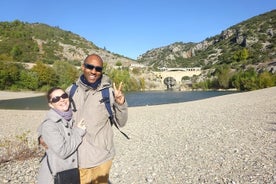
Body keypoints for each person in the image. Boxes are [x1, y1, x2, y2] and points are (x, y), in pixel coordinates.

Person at [66, 54, 128, 184]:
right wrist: (44, 134)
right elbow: (59, 118)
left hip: (102, 158)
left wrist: (120, 104)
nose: (94, 71)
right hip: (77, 158)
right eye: (90, 67)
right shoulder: (70, 91)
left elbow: (121, 123)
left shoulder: (109, 93)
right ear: (83, 67)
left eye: (98, 69)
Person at [37, 87, 86, 184]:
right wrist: (79, 131)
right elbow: (63, 151)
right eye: (56, 99)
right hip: (55, 177)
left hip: (72, 173)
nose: (62, 99)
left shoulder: (73, 117)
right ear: (51, 105)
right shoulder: (49, 125)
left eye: (64, 96)